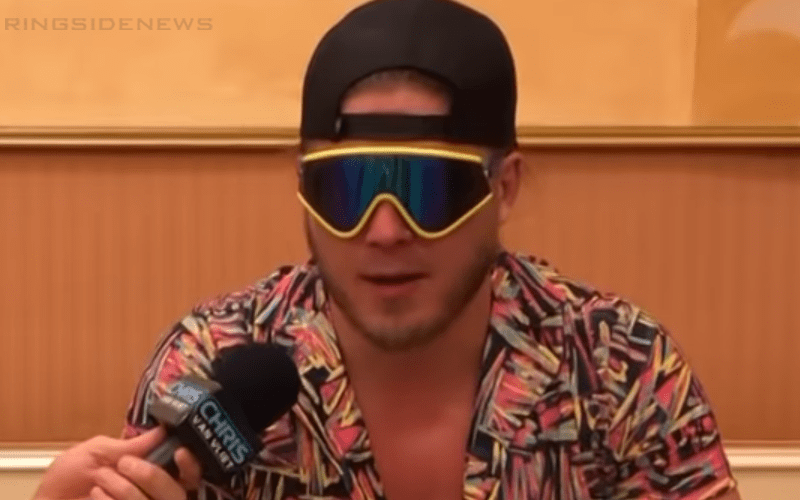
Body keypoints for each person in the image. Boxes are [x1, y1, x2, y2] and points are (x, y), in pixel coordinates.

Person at [33, 0, 742, 499]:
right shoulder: (209, 362)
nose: (384, 231)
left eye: (426, 188)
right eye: (346, 190)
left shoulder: (623, 367)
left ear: (504, 187)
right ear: (303, 187)